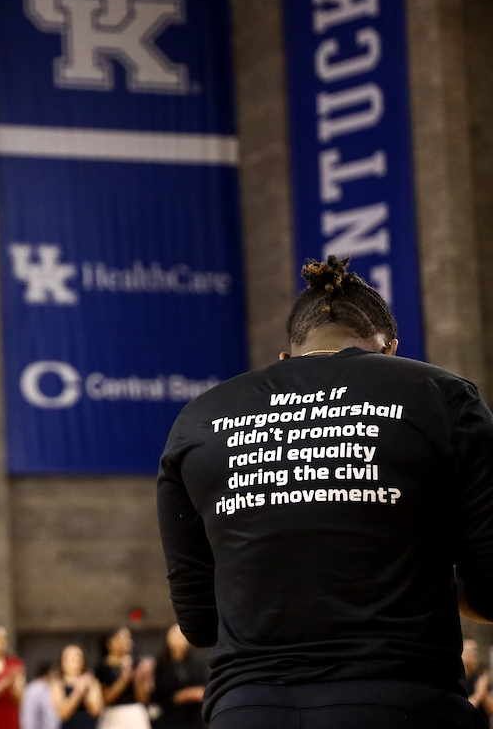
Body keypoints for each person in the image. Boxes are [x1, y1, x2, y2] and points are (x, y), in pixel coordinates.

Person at [158, 255, 493, 728]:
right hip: (401, 705)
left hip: (247, 712)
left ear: (286, 358)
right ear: (389, 350)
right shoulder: (442, 396)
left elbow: (199, 624)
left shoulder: (198, 420)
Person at [94, 629, 152, 729]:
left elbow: (143, 699)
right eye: (124, 638)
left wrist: (140, 677)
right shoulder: (102, 667)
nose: (129, 641)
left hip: (136, 714)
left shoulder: (136, 664)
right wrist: (124, 678)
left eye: (129, 638)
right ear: (110, 642)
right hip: (113, 715)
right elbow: (106, 698)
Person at [150, 626, 207, 729]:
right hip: (171, 718)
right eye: (175, 635)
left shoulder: (196, 663)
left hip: (195, 717)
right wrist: (181, 696)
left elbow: (205, 687)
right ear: (168, 638)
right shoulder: (161, 666)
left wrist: (195, 693)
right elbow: (159, 696)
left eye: (182, 635)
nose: (180, 639)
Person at [49, 646, 101, 729]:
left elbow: (96, 711)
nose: (76, 660)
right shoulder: (57, 684)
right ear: (63, 661)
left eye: (79, 657)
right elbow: (62, 714)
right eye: (72, 658)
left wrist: (86, 690)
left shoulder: (92, 682)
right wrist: (78, 692)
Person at [462, 639, 491, 718]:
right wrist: (479, 694)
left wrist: (484, 694)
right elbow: (461, 709)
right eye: (470, 651)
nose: (474, 654)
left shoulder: (480, 677)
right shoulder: (456, 680)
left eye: (475, 651)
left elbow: (491, 709)